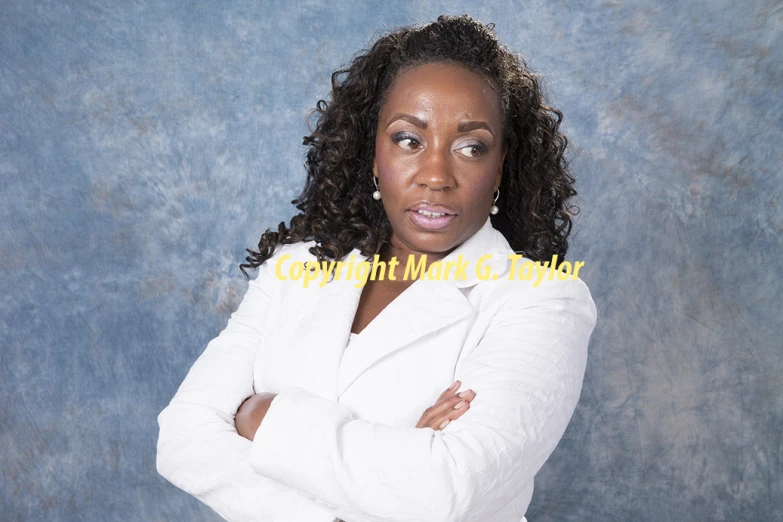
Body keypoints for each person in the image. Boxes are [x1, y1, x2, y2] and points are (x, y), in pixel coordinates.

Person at [156, 13, 597, 522]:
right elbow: (183, 439)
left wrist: (263, 415)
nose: (436, 175)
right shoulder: (295, 269)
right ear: (373, 153)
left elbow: (445, 490)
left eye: (471, 147)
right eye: (409, 139)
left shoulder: (542, 300)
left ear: (499, 166)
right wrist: (387, 475)